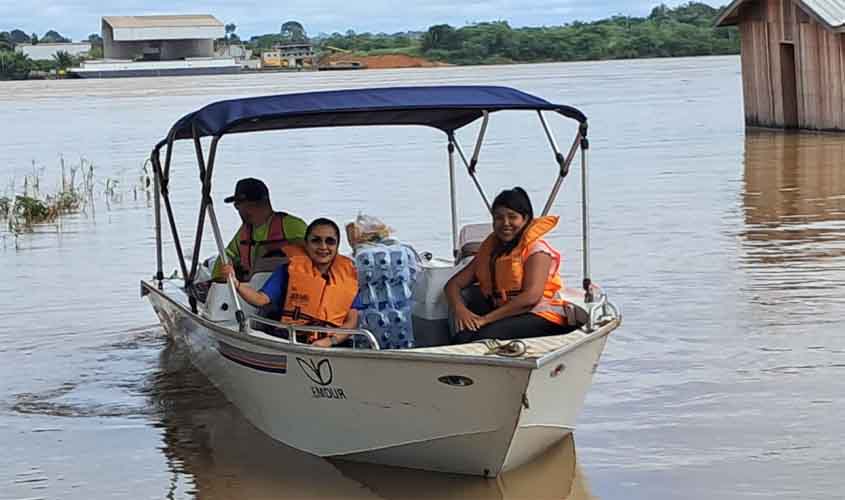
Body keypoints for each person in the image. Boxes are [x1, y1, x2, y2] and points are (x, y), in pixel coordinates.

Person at [444, 187, 572, 343]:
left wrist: (485, 319)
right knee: (462, 337)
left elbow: (531, 298)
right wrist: (460, 310)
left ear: (525, 219)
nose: (505, 223)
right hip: (508, 314)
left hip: (542, 315)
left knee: (481, 337)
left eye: (512, 217)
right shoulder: (491, 252)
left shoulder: (537, 251)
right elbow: (453, 285)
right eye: (498, 218)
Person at [233, 218, 358, 348]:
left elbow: (351, 321)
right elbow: (260, 299)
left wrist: (330, 341)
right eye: (316, 240)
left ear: (337, 246)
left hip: (332, 343)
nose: (323, 246)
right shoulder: (287, 271)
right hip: (291, 339)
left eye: (330, 241)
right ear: (306, 243)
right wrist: (236, 284)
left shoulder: (348, 277)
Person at [213, 178, 307, 281]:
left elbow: (314, 255)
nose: (238, 209)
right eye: (236, 205)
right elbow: (226, 255)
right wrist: (218, 278)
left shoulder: (291, 225)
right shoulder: (244, 232)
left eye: (237, 205)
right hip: (252, 288)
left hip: (289, 286)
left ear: (256, 203)